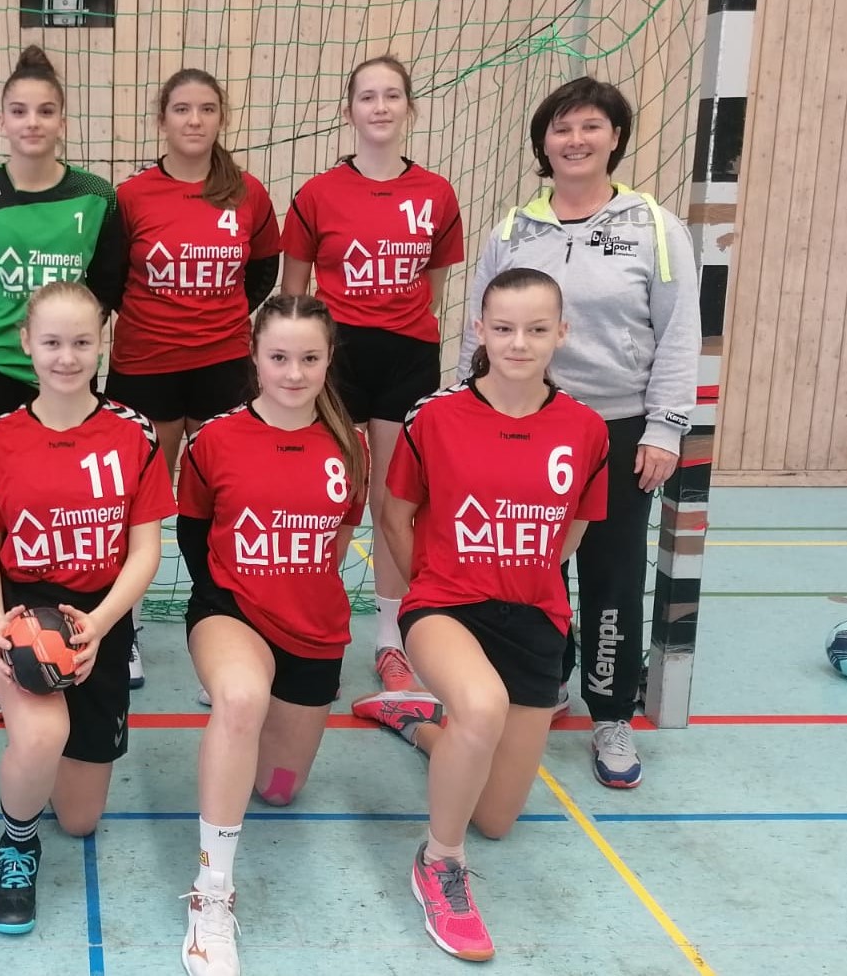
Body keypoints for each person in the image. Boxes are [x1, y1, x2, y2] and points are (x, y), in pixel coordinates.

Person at [352, 267, 609, 962]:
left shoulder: (584, 429)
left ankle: (418, 723)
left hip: (534, 617)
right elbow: (395, 515)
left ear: (561, 332)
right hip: (446, 606)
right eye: (503, 328)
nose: (518, 343)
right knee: (482, 705)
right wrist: (431, 588)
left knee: (494, 817)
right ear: (479, 331)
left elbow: (573, 529)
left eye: (535, 329)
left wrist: (521, 573)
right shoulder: (435, 417)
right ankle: (439, 862)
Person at [458, 76, 698, 788]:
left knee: (611, 574)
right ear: (543, 142)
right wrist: (466, 415)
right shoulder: (513, 231)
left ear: (614, 137)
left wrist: (664, 427)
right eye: (561, 128)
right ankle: (545, 681)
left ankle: (611, 713)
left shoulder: (654, 227)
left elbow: (679, 332)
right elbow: (478, 330)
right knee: (531, 565)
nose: (575, 140)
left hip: (618, 430)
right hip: (527, 427)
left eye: (590, 126)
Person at [0, 282, 175, 936]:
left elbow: (145, 550)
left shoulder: (132, 432)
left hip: (98, 615)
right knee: (41, 738)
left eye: (81, 342)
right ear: (26, 342)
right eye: (51, 342)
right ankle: (16, 844)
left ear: (101, 342)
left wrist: (100, 625)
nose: (66, 357)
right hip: (24, 610)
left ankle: (38, 768)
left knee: (80, 819)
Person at [174, 293, 368, 976]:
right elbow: (194, 537)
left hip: (313, 628)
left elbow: (339, 539)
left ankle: (403, 721)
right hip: (233, 612)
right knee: (239, 699)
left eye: (309, 358)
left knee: (280, 789)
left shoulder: (351, 444)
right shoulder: (214, 440)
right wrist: (236, 606)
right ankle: (211, 895)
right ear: (254, 357)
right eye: (279, 357)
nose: (293, 373)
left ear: (328, 360)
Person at [0, 45, 127, 719]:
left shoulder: (95, 197)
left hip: (72, 377)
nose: (32, 122)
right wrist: (5, 348)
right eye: (19, 111)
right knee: (4, 523)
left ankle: (94, 631)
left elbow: (107, 288)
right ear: (1, 119)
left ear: (62, 120)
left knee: (78, 515)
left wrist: (67, 349)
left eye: (45, 111)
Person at [279, 56, 463, 693]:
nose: (380, 107)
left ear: (410, 107)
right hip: (337, 356)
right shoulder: (317, 194)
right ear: (349, 110)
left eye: (392, 96)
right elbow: (292, 297)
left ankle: (391, 638)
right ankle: (303, 628)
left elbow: (433, 288)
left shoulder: (436, 194)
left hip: (407, 356)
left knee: (394, 502)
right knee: (326, 501)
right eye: (367, 97)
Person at [108, 69, 280, 692]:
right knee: (134, 506)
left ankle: (222, 636)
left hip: (222, 367)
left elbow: (262, 271)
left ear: (221, 118)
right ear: (163, 119)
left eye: (207, 109)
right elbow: (110, 279)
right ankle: (122, 633)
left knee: (221, 505)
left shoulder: (248, 193)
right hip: (145, 366)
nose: (194, 120)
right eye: (182, 109)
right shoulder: (131, 196)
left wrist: (215, 320)